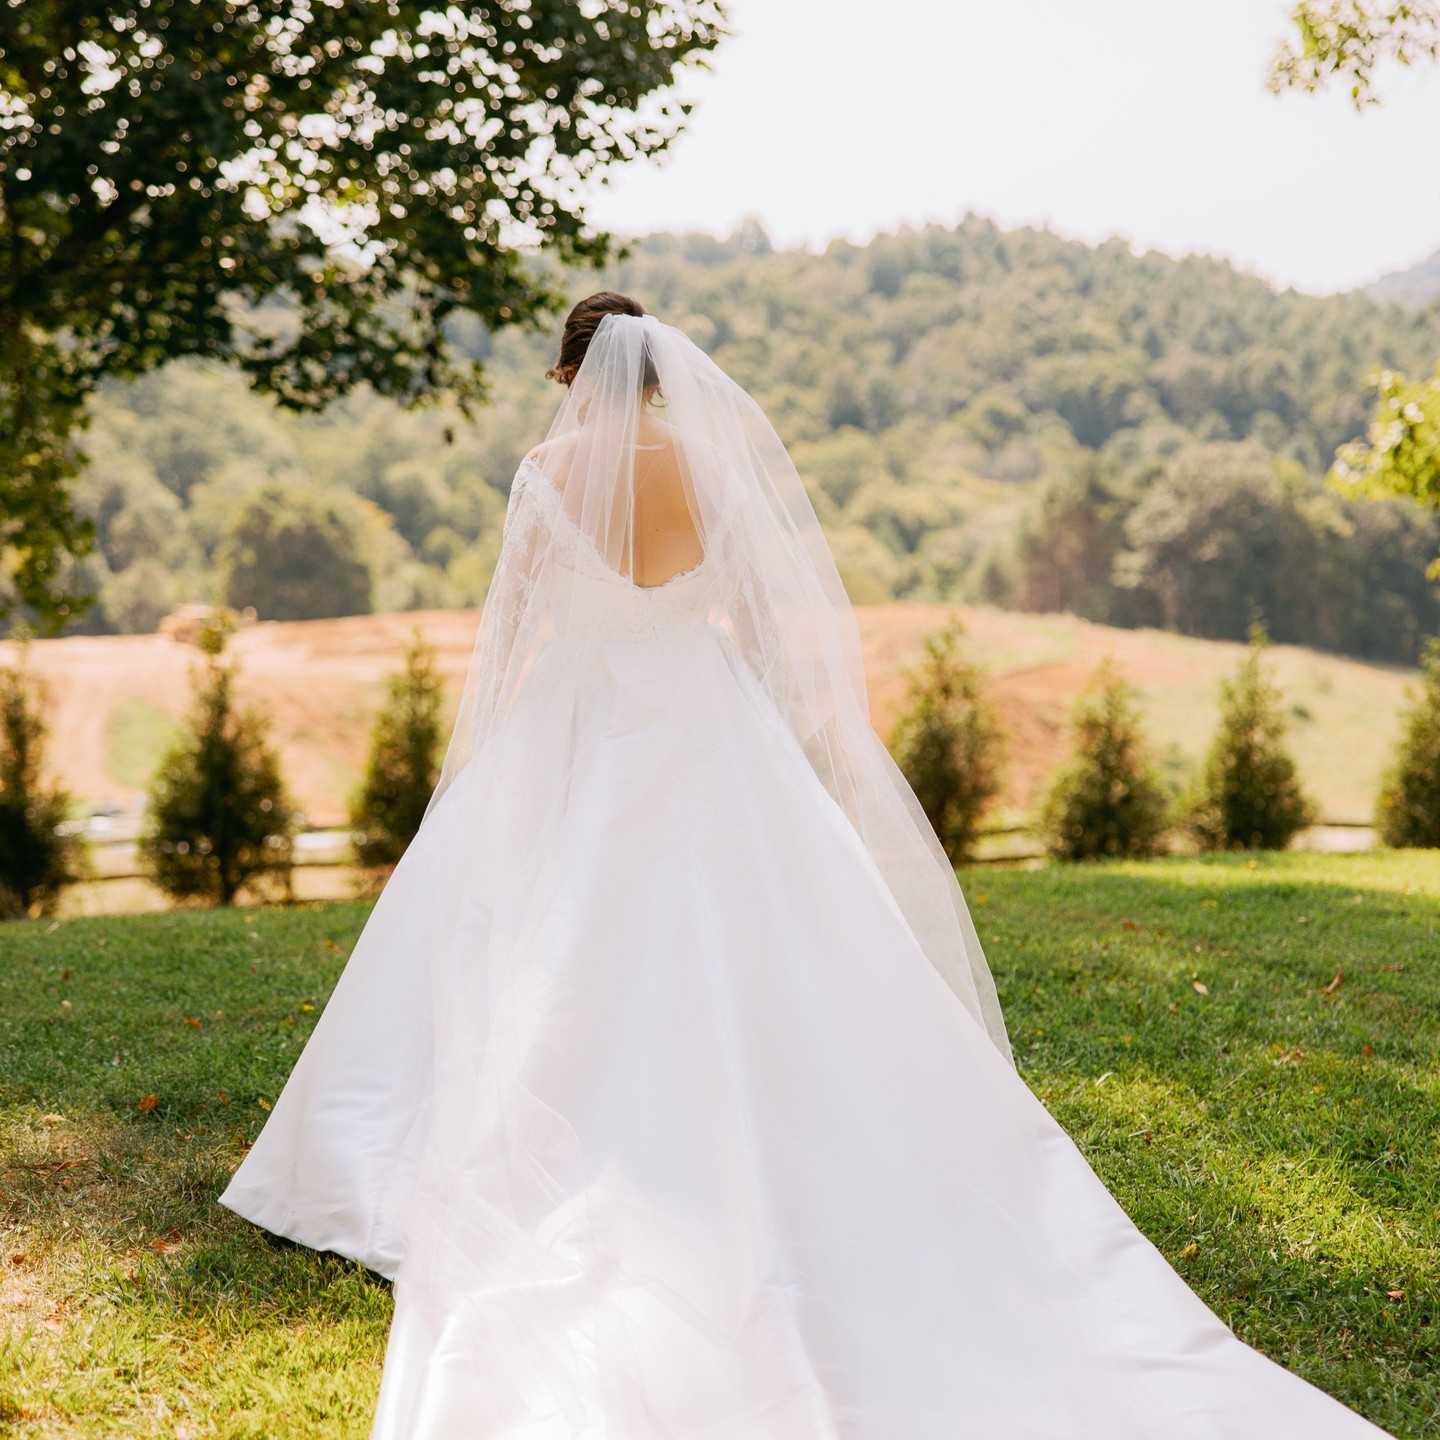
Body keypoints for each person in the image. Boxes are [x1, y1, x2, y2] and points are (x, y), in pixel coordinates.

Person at [221, 293, 1392, 1439]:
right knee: (761, 934)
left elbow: (513, 626)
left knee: (530, 931)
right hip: (704, 715)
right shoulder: (711, 468)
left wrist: (494, 754)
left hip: (577, 718)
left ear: (571, 376)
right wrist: (786, 743)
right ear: (663, 376)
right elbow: (768, 627)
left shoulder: (547, 471)